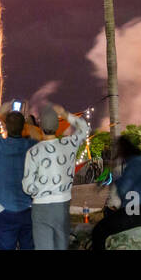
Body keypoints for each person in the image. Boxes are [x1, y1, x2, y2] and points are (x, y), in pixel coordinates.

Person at [21, 103, 89, 250]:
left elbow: (27, 187)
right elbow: (84, 127)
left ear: (40, 125)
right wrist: (64, 113)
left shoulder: (33, 152)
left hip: (40, 208)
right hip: (62, 206)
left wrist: (43, 188)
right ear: (57, 125)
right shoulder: (69, 144)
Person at [91, 135, 141, 250]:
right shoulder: (140, 161)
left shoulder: (135, 163)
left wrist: (114, 178)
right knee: (110, 223)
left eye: (118, 150)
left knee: (100, 230)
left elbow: (124, 188)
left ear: (123, 150)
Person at [0, 109, 37, 249]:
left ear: (5, 127)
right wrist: (30, 124)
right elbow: (38, 136)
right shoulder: (30, 145)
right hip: (27, 207)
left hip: (3, 207)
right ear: (23, 127)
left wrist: (0, 112)